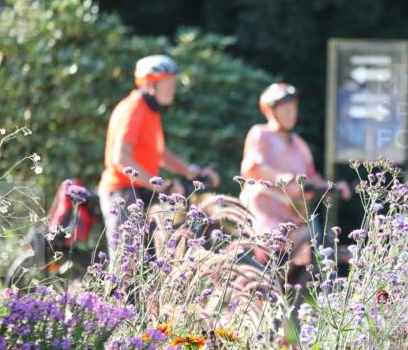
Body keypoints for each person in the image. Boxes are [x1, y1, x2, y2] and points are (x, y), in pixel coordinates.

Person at [98, 54, 220, 257]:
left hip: (142, 190)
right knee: (125, 264)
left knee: (156, 258)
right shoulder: (134, 109)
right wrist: (162, 186)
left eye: (173, 82)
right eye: (167, 82)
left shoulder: (150, 112)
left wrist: (192, 171)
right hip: (122, 192)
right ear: (150, 84)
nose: (173, 87)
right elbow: (121, 158)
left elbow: (160, 152)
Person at [239, 82, 350, 267]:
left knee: (312, 249)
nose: (291, 114)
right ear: (270, 111)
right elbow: (255, 166)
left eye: (293, 109)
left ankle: (297, 290)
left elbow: (312, 177)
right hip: (265, 214)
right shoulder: (260, 134)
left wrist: (332, 186)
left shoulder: (299, 144)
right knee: (273, 252)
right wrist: (281, 177)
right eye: (285, 109)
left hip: (294, 216)